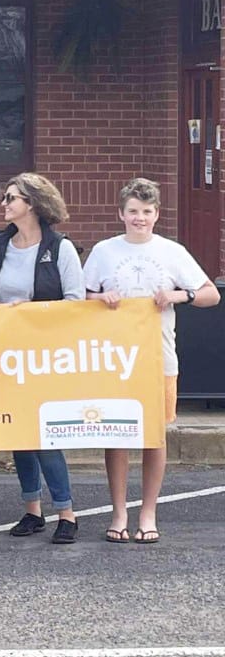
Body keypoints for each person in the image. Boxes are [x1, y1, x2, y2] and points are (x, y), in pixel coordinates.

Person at [83, 177, 220, 544]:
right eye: (133, 211)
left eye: (146, 211)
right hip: (115, 359)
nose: (139, 218)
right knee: (117, 434)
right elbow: (81, 295)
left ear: (157, 214)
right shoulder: (104, 251)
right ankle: (118, 512)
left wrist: (179, 295)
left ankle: (148, 512)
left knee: (154, 436)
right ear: (121, 214)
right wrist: (101, 298)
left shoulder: (172, 252)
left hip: (159, 357)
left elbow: (210, 295)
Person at [0, 173, 84, 545]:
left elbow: (75, 303)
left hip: (45, 356)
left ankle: (66, 513)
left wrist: (34, 311)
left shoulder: (60, 248)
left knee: (45, 435)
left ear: (33, 204)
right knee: (20, 433)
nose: (4, 204)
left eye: (11, 198)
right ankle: (32, 510)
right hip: (7, 356)